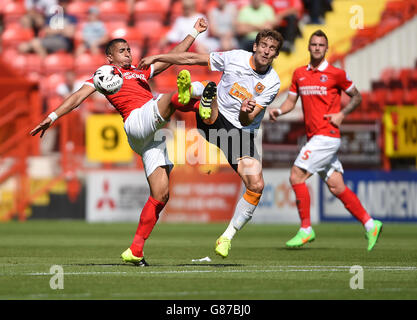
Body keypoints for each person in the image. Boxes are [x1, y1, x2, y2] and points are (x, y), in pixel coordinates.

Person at [30, 18, 209, 266]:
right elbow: (77, 97)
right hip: (136, 120)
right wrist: (52, 116)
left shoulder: (140, 71)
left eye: (128, 49)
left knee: (162, 194)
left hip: (150, 136)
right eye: (122, 51)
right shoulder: (104, 75)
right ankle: (197, 100)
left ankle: (135, 250)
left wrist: (194, 32)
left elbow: (173, 56)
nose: (128, 53)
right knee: (171, 98)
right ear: (110, 58)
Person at [139, 29, 284, 258]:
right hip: (216, 119)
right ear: (255, 46)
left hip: (241, 133)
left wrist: (247, 111)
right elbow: (193, 58)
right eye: (264, 45)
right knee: (210, 95)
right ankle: (200, 99)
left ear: (276, 55)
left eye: (272, 49)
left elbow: (248, 118)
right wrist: (160, 58)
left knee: (256, 185)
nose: (267, 51)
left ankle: (226, 237)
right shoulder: (235, 57)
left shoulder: (272, 83)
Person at [268, 30, 383, 251]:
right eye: (314, 44)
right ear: (309, 47)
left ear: (326, 48)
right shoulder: (299, 73)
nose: (317, 48)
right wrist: (279, 112)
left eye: (321, 45)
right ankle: (371, 224)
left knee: (296, 176)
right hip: (315, 137)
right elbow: (291, 102)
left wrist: (342, 114)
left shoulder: (336, 74)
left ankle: (306, 229)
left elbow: (357, 96)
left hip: (327, 136)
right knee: (336, 185)